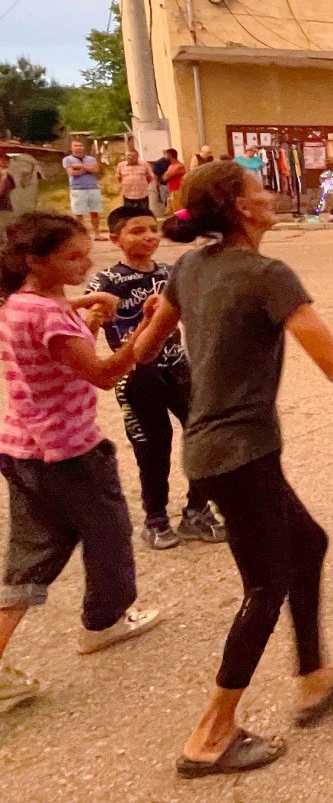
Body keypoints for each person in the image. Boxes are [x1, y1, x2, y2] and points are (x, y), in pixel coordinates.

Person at [131, 161, 333, 776]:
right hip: (240, 453)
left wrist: (96, 345)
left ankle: (314, 677)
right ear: (238, 205)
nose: (270, 194)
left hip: (218, 451)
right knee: (266, 584)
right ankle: (210, 735)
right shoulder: (266, 274)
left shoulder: (189, 267)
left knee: (307, 545)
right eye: (258, 188)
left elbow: (142, 351)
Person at [0, 213, 165, 715]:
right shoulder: (47, 313)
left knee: (34, 554)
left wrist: (91, 314)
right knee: (110, 535)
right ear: (35, 260)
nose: (84, 262)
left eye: (84, 252)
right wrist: (146, 324)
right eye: (71, 256)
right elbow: (100, 372)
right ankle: (105, 622)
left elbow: (59, 348)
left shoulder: (20, 304)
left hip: (23, 447)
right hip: (70, 451)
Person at [85, 205, 225, 549]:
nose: (148, 236)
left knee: (207, 435)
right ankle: (155, 519)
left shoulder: (171, 272)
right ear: (115, 238)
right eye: (137, 231)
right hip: (135, 376)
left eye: (152, 229)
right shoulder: (106, 282)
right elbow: (86, 326)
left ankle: (197, 511)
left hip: (178, 369)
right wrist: (92, 320)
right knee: (153, 448)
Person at [63, 139, 105, 239]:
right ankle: (81, 235)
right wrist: (87, 169)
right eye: (76, 145)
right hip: (77, 188)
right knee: (79, 213)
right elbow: (72, 172)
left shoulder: (91, 159)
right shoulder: (67, 159)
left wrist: (81, 166)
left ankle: (97, 234)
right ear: (71, 148)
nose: (79, 147)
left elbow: (96, 169)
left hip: (92, 187)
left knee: (95, 212)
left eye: (81, 145)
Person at [116, 148, 154, 214]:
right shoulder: (121, 165)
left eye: (133, 156)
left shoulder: (145, 164)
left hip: (142, 195)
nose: (130, 158)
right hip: (128, 195)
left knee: (144, 214)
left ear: (137, 156)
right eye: (128, 156)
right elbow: (119, 178)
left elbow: (149, 177)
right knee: (130, 215)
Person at [162, 149, 188, 214]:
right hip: (172, 190)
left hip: (178, 190)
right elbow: (163, 177)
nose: (164, 157)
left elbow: (166, 177)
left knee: (179, 209)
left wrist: (166, 175)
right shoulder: (171, 166)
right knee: (173, 211)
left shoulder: (179, 166)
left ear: (170, 155)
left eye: (165, 155)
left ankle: (184, 222)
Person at [0, 153, 15, 239]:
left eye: (4, 167)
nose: (2, 169)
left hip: (3, 210)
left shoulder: (7, 178)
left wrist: (3, 179)